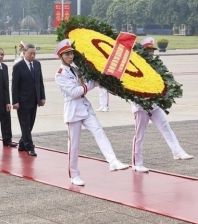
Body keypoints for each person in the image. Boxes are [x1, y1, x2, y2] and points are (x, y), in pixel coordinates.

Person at [54, 39, 129, 186]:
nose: (70, 56)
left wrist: (99, 79)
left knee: (99, 131)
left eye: (71, 53)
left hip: (85, 107)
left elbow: (88, 82)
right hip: (73, 109)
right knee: (74, 145)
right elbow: (74, 92)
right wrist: (90, 84)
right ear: (60, 56)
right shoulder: (60, 74)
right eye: (67, 54)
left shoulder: (76, 70)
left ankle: (113, 160)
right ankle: (74, 175)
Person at [131, 37, 193, 173]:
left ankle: (177, 151)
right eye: (148, 50)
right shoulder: (135, 65)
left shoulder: (156, 65)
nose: (151, 53)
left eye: (152, 50)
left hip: (154, 103)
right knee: (140, 135)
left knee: (166, 127)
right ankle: (137, 163)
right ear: (142, 51)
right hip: (141, 106)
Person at [12, 43, 46, 157]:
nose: (32, 55)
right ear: (24, 53)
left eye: (34, 53)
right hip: (22, 101)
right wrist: (15, 101)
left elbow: (40, 82)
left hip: (34, 100)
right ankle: (29, 147)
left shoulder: (37, 64)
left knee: (30, 124)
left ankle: (22, 143)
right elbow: (15, 86)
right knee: (25, 125)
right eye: (30, 53)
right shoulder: (18, 66)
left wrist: (42, 97)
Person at [0, 47, 18, 147]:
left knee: (6, 120)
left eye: (2, 54)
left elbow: (6, 86)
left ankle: (7, 140)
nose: (0, 56)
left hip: (3, 99)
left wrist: (8, 101)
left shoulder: (4, 67)